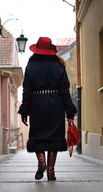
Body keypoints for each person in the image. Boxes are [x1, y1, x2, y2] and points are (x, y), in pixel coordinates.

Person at [18, 37, 77, 181]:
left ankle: (41, 162)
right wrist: (69, 110)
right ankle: (51, 172)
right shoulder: (59, 65)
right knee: (54, 138)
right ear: (50, 50)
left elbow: (27, 90)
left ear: (37, 50)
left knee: (37, 136)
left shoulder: (31, 65)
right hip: (56, 105)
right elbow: (65, 90)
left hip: (37, 105)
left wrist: (25, 109)